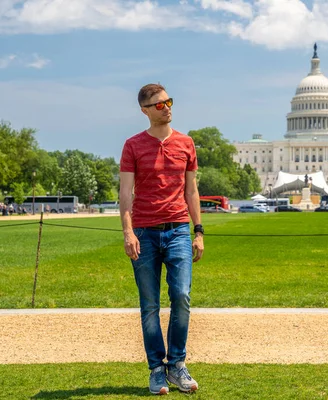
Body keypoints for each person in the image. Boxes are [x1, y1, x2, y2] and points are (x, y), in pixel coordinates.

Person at [119, 83, 204, 395]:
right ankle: (157, 369)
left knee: (181, 296)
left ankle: (177, 364)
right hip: (143, 231)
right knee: (150, 305)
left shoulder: (186, 143)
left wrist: (198, 231)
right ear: (144, 110)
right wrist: (127, 232)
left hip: (179, 228)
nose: (166, 107)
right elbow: (125, 194)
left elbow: (191, 190)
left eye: (168, 101)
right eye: (158, 104)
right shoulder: (132, 145)